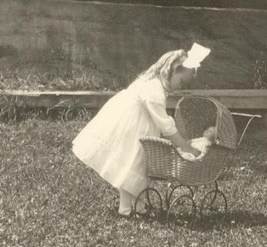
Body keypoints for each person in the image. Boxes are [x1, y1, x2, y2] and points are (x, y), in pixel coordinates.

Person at [71, 43, 211, 216]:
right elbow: (166, 126)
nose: (179, 87)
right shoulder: (154, 90)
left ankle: (134, 206)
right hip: (131, 125)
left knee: (133, 165)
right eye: (181, 82)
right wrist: (184, 146)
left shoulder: (154, 83)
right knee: (134, 164)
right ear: (174, 69)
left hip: (138, 123)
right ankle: (127, 207)